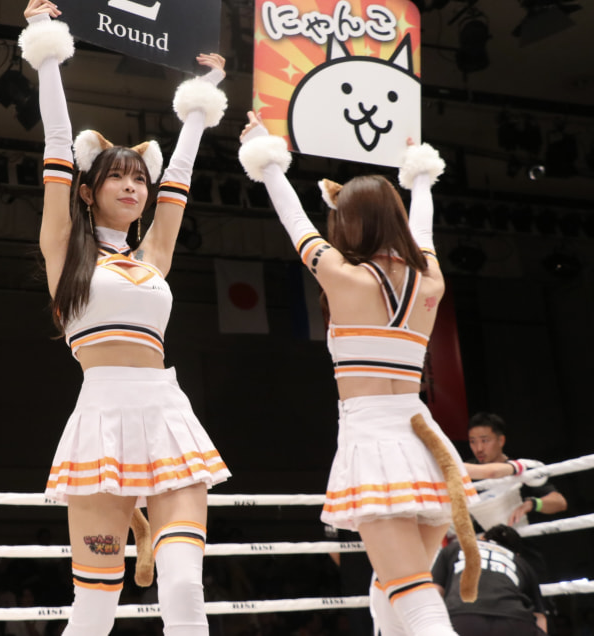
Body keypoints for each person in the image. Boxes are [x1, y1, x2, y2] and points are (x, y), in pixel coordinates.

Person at [237, 113, 518, 636]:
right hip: (425, 442)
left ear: (349, 221)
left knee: (411, 591)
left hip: (375, 440)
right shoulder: (430, 277)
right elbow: (423, 228)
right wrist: (421, 178)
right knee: (391, 588)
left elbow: (294, 218)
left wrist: (266, 157)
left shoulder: (341, 274)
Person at [19, 2, 231, 635]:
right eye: (118, 178)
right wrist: (47, 51)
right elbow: (57, 144)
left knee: (185, 588)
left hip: (168, 418)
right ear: (89, 190)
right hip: (100, 424)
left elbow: (181, 178)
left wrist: (200, 104)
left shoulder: (153, 255)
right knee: (94, 608)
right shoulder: (64, 250)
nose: (134, 187)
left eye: (140, 179)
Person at [432, 524, 548, 635]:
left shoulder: (455, 548)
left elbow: (435, 592)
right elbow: (539, 616)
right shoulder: (522, 563)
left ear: (482, 538)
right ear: (517, 554)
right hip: (514, 620)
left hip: (462, 616)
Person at [468, 412, 567, 526]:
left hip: (519, 534)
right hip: (480, 536)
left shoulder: (520, 467)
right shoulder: (466, 471)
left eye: (484, 441)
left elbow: (560, 502)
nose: (479, 448)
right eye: (473, 442)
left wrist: (532, 504)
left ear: (501, 441)